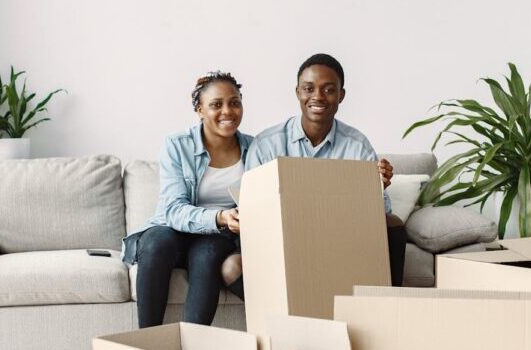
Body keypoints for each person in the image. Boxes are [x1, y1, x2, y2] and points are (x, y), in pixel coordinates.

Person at [221, 54, 407, 299]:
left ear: (341, 95)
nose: (318, 97)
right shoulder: (267, 144)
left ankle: (385, 312)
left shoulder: (357, 146)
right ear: (298, 92)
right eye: (309, 89)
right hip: (283, 243)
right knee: (231, 268)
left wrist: (374, 189)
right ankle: (292, 312)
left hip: (339, 241)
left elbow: (379, 215)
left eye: (328, 89)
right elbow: (252, 211)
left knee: (393, 222)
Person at [122, 71, 251, 328]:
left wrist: (237, 218)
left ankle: (194, 342)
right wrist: (218, 216)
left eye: (234, 102)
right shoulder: (177, 145)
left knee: (209, 254)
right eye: (216, 104)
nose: (228, 111)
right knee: (157, 243)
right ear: (200, 109)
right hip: (174, 230)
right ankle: (149, 340)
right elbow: (173, 209)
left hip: (219, 235)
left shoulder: (254, 148)